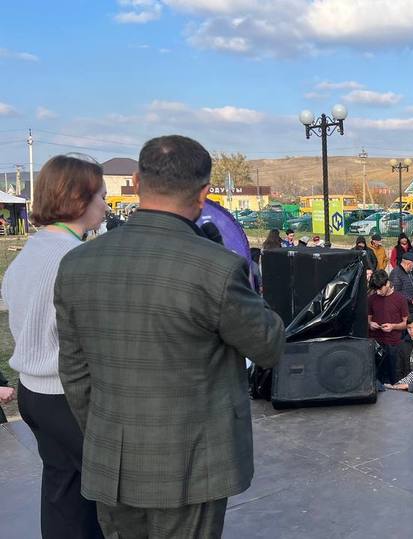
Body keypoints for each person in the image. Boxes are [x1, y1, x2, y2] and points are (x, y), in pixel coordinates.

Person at [53, 137, 286, 537]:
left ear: (136, 181)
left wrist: (108, 436)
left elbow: (74, 374)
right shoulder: (216, 268)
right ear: (204, 193)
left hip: (112, 463)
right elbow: (268, 345)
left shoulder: (77, 263)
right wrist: (241, 277)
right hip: (191, 470)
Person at [1, 154, 108, 538]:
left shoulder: (29, 254)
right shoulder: (76, 258)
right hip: (69, 398)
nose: (106, 206)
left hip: (33, 395)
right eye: (101, 197)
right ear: (79, 199)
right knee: (110, 499)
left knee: (62, 493)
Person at [368, 270, 410, 384]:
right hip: (375, 344)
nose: (378, 292)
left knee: (393, 378)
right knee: (375, 378)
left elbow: (406, 323)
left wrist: (393, 326)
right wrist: (370, 324)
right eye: (375, 289)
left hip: (393, 345)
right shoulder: (371, 299)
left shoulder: (400, 299)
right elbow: (367, 318)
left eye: (380, 289)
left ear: (387, 283)